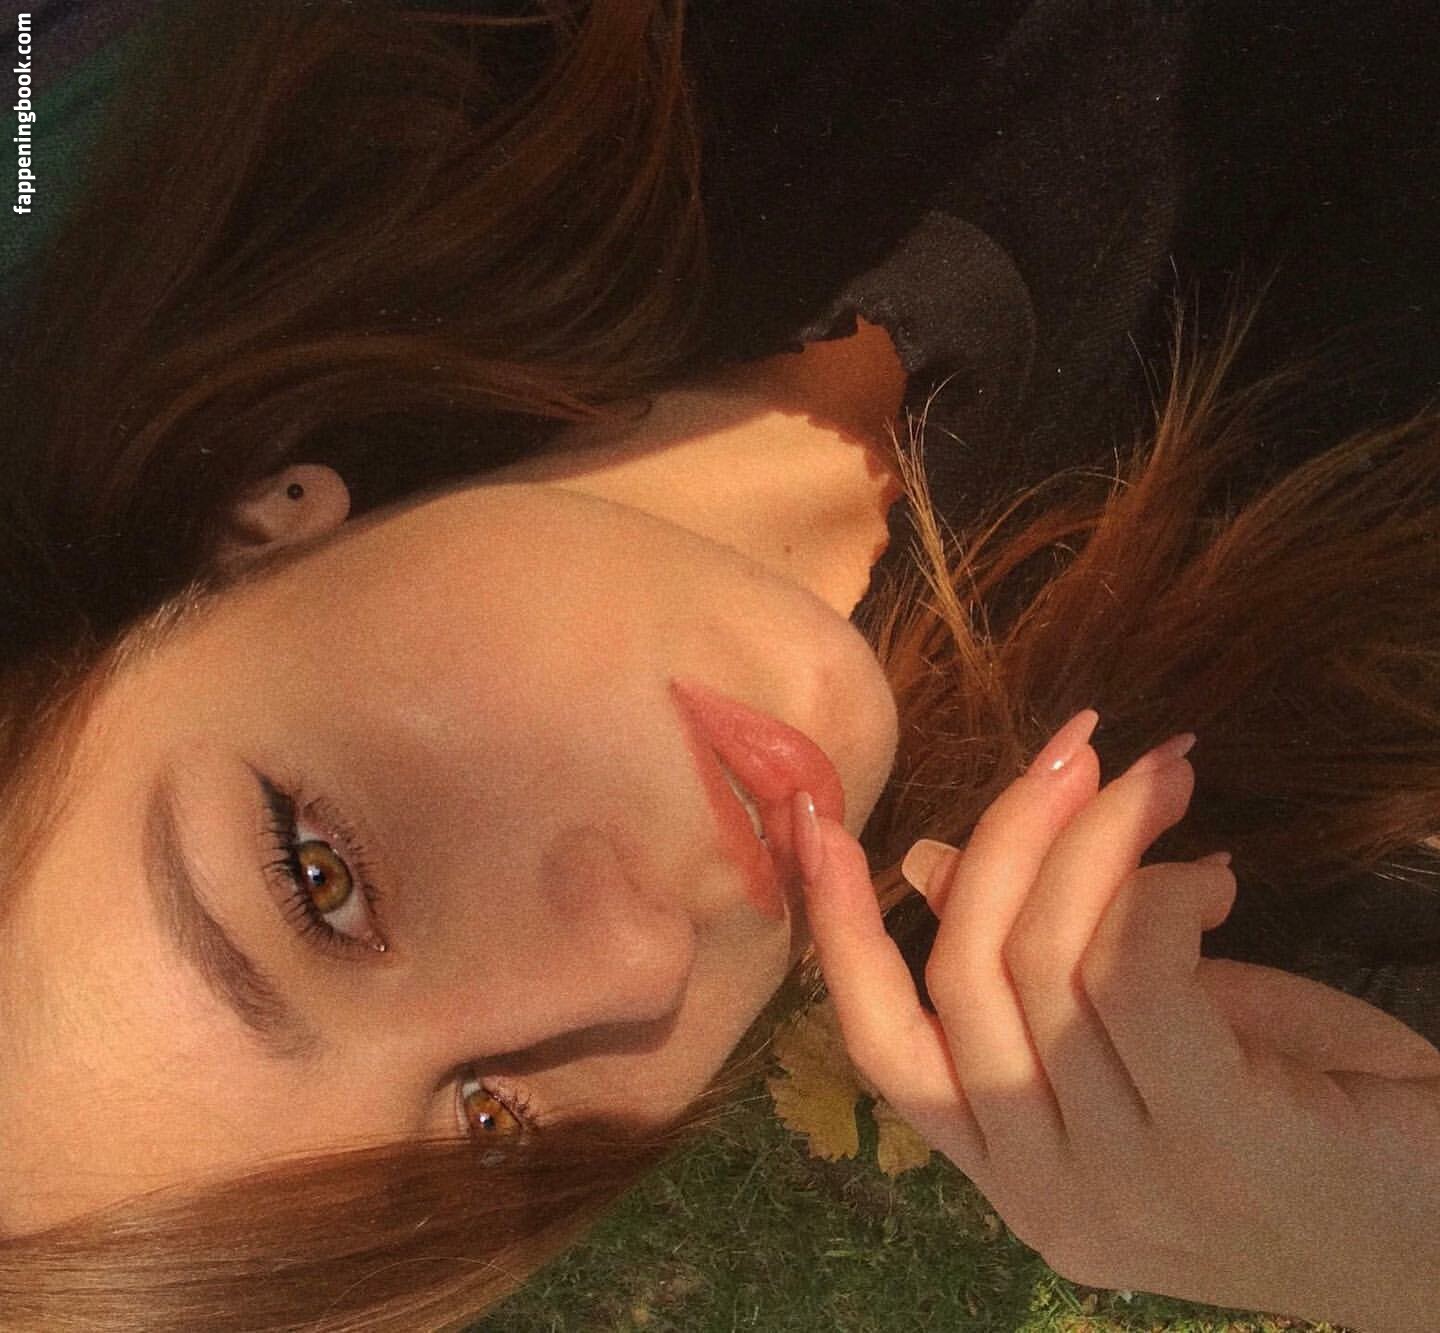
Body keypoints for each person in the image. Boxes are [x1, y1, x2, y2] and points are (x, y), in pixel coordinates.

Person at [0, 1, 1437, 1329]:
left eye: (320, 876)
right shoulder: (1197, 919)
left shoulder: (550, 56)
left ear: (251, 521)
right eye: (495, 1130)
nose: (633, 963)